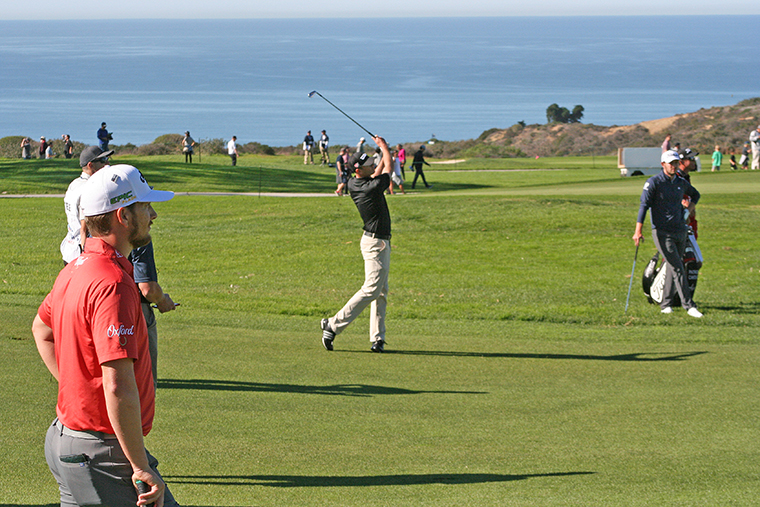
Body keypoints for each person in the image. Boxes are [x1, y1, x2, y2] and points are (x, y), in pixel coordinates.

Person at [32, 164, 179, 506]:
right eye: (145, 207)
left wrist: (78, 386)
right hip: (100, 452)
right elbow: (117, 385)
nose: (153, 214)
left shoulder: (74, 269)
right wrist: (141, 467)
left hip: (65, 439)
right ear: (122, 217)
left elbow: (42, 330)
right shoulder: (113, 284)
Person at [321, 136, 393, 353]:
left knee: (380, 291)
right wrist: (384, 148)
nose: (373, 164)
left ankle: (377, 338)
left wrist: (379, 152)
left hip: (377, 241)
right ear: (359, 170)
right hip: (375, 243)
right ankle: (333, 325)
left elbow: (378, 171)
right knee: (372, 289)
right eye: (369, 164)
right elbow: (386, 168)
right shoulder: (370, 187)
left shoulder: (355, 182)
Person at [633, 150, 702, 318]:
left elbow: (696, 194)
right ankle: (689, 306)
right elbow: (644, 206)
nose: (674, 166)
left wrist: (689, 208)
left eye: (676, 163)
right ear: (663, 164)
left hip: (680, 230)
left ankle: (666, 304)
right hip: (662, 232)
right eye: (671, 163)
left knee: (673, 268)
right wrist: (638, 230)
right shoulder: (654, 183)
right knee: (678, 267)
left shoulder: (680, 182)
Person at [130, 240, 177, 389]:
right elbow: (147, 289)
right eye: (147, 214)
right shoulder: (138, 235)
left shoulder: (94, 231)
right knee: (144, 388)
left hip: (99, 310)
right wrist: (162, 300)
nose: (153, 215)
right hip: (136, 311)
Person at [60, 146, 114, 265]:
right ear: (91, 165)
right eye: (103, 160)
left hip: (69, 249)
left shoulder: (74, 184)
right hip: (82, 252)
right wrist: (86, 257)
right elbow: (84, 229)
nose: (107, 163)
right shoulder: (90, 188)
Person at [677, 147, 699, 239]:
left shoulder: (686, 177)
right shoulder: (676, 177)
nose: (694, 161)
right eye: (690, 159)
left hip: (689, 217)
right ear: (681, 162)